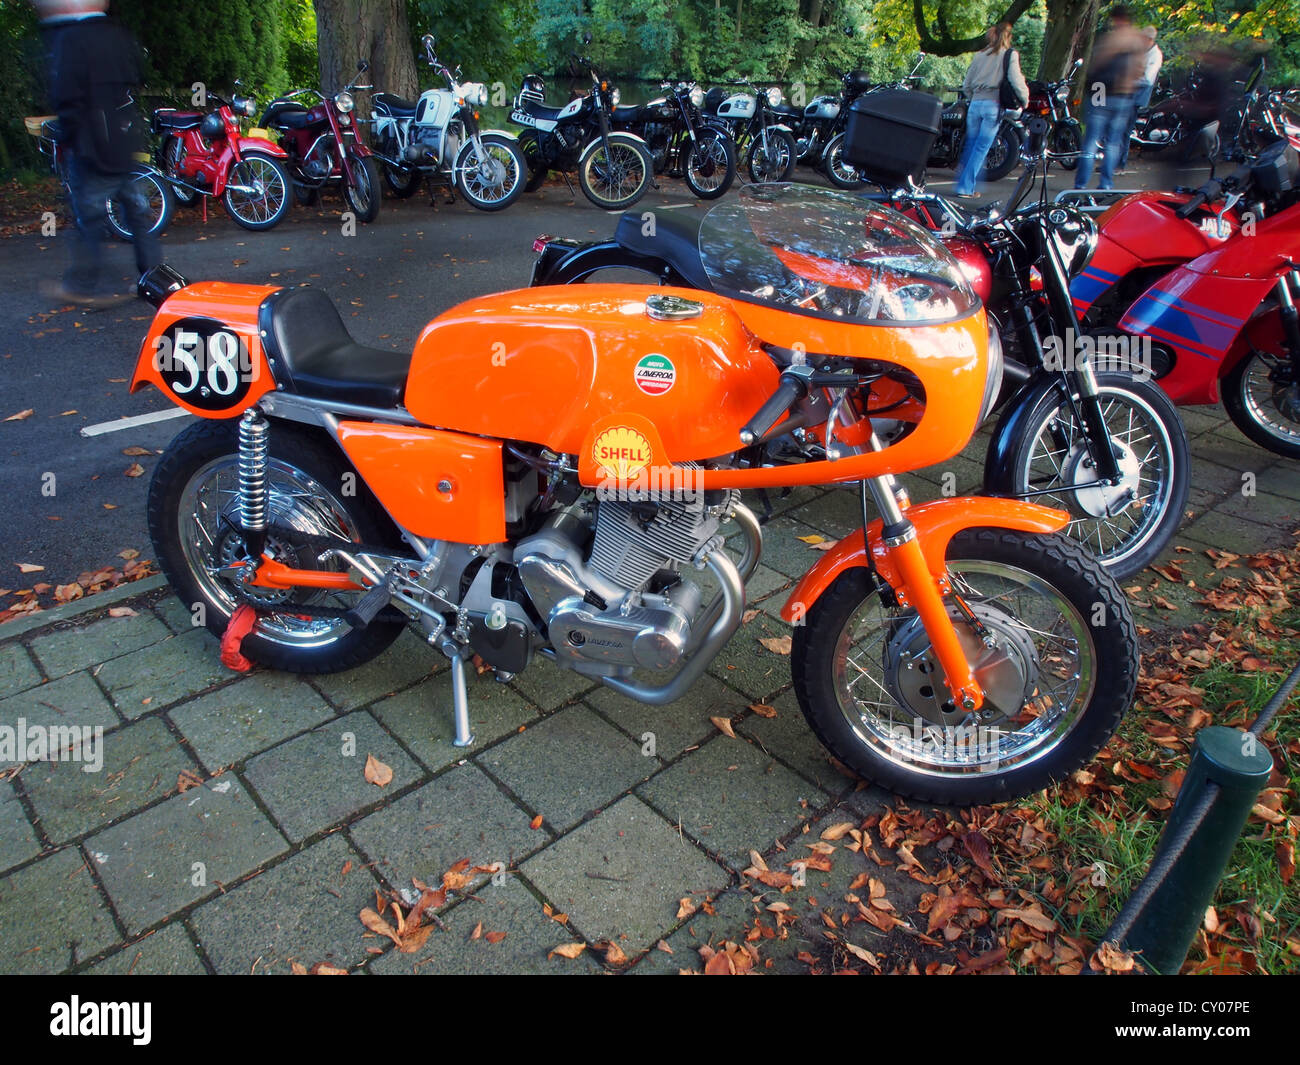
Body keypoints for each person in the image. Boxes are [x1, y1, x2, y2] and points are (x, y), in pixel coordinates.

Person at [34, 0, 161, 306]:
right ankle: (154, 280)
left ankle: (85, 285)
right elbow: (134, 80)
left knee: (88, 218)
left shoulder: (70, 40)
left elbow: (66, 97)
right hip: (124, 141)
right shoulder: (119, 35)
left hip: (91, 146)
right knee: (138, 216)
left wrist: (69, 136)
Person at [1074, 5, 1146, 191]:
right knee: (1114, 142)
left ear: (1116, 19)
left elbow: (1096, 64)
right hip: (1124, 96)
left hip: (1102, 92)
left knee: (1091, 139)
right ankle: (1106, 184)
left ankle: (1081, 184)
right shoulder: (1137, 41)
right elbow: (1140, 70)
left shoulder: (1110, 39)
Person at [953, 21, 1028, 197]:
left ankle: (963, 182)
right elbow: (1016, 80)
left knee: (971, 144)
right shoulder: (1009, 55)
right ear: (1008, 37)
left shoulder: (980, 55)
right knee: (981, 147)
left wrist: (974, 98)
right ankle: (966, 188)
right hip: (993, 106)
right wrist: (1024, 100)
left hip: (975, 104)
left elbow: (967, 84)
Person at [1117, 25, 1162, 171]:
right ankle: (1114, 161)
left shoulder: (1155, 55)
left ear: (1149, 39)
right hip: (1128, 94)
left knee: (1124, 129)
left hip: (1136, 96)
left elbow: (1148, 79)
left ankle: (1119, 163)